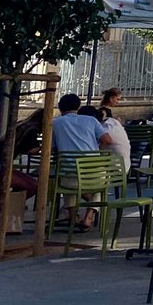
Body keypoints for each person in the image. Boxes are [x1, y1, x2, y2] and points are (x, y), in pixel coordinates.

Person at [51, 93, 113, 229]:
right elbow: (108, 140)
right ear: (78, 107)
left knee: (67, 185)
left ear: (60, 108)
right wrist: (97, 150)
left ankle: (73, 216)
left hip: (70, 175)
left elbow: (52, 149)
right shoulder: (91, 121)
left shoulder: (55, 123)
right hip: (95, 175)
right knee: (100, 188)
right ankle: (88, 216)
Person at [0, 110, 43, 195]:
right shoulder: (31, 131)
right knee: (32, 187)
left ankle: (11, 204)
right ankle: (10, 205)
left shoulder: (21, 125)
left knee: (34, 185)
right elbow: (33, 150)